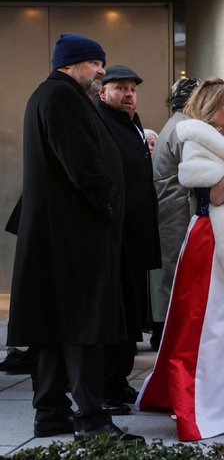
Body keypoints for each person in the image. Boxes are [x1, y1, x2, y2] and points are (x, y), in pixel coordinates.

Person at [7, 33, 143, 442]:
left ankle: (50, 414)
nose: (102, 71)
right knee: (84, 328)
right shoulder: (62, 98)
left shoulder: (47, 96)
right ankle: (92, 419)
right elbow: (82, 167)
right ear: (71, 63)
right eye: (95, 63)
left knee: (51, 328)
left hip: (58, 237)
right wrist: (109, 208)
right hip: (75, 238)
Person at [136, 78, 224, 441]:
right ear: (208, 104)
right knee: (202, 325)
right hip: (209, 241)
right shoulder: (196, 140)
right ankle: (194, 404)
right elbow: (218, 194)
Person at [97, 65, 161, 414]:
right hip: (117, 236)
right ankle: (105, 386)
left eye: (133, 89)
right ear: (103, 92)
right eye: (120, 88)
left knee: (132, 313)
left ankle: (118, 380)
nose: (128, 94)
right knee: (115, 314)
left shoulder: (133, 123)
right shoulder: (101, 121)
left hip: (136, 233)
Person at [148, 77, 200, 351]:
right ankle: (164, 333)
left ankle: (161, 330)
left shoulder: (175, 124)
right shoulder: (185, 128)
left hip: (168, 207)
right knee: (172, 273)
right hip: (176, 210)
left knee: (166, 274)